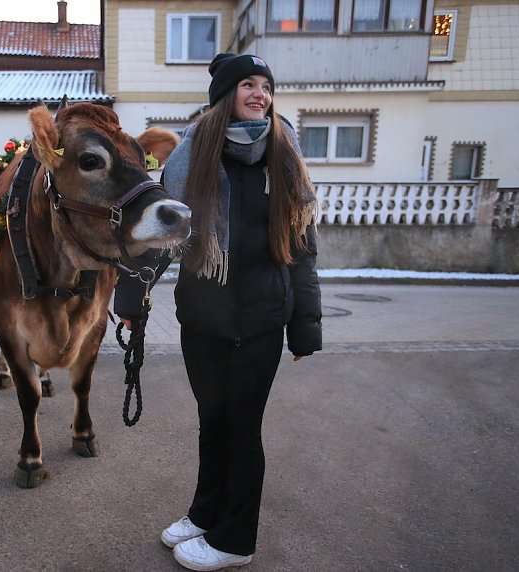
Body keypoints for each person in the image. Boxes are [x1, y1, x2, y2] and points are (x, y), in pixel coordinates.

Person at [115, 53, 322, 571]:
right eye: (248, 84)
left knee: (242, 429)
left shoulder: (285, 157)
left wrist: (305, 326)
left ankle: (235, 540)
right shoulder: (192, 157)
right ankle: (206, 513)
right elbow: (159, 235)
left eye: (266, 86)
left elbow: (302, 245)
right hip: (203, 319)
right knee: (212, 422)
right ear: (225, 95)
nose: (260, 94)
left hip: (262, 320)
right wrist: (132, 302)